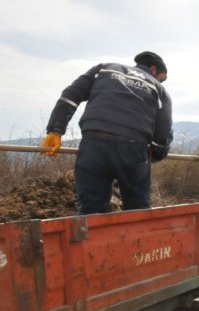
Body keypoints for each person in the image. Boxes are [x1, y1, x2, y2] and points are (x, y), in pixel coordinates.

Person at [41, 51, 173, 214]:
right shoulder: (159, 89)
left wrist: (55, 130)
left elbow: (71, 95)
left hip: (93, 145)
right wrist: (155, 155)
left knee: (91, 211)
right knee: (138, 212)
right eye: (162, 77)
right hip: (133, 150)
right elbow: (163, 134)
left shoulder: (103, 70)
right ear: (153, 70)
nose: (161, 81)